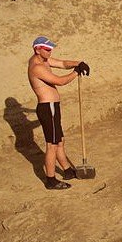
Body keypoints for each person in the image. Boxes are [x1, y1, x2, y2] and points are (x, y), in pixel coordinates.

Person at [27, 36, 90, 190]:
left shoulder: (44, 59)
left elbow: (62, 64)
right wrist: (76, 72)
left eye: (51, 49)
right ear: (37, 49)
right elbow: (60, 81)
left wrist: (78, 63)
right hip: (48, 108)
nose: (50, 51)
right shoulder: (37, 67)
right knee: (52, 145)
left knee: (60, 141)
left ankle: (67, 171)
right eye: (47, 49)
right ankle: (50, 180)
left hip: (52, 107)